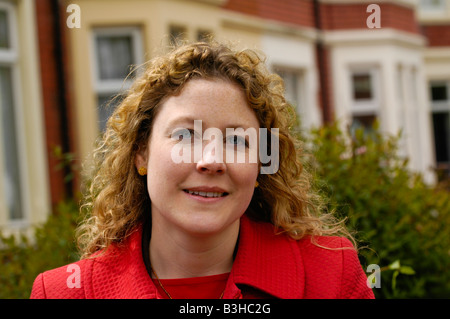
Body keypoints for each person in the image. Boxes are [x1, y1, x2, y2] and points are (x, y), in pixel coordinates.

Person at [30, 41, 374, 299]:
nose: (210, 160)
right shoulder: (64, 292)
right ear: (141, 153)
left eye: (237, 140)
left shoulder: (331, 277)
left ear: (261, 164)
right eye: (185, 135)